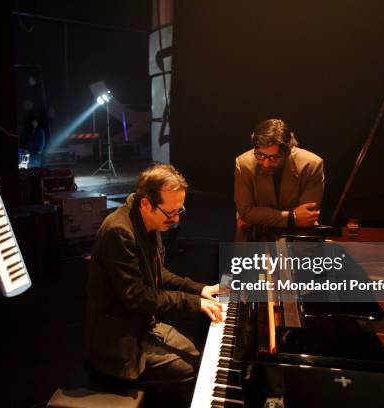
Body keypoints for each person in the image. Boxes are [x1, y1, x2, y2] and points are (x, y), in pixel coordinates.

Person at [85, 164, 222, 401]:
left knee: (201, 357)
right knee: (194, 370)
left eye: (180, 210)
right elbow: (137, 297)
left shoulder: (149, 221)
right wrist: (195, 303)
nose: (176, 219)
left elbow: (160, 274)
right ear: (146, 204)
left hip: (144, 325)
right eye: (171, 213)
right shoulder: (119, 232)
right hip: (119, 342)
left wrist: (200, 289)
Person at [234, 118, 324, 241]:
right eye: (260, 155)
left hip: (297, 237)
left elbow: (306, 217)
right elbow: (246, 212)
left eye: (274, 157)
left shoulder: (312, 165)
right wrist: (292, 217)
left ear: (288, 151)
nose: (265, 163)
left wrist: (258, 218)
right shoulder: (243, 164)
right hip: (256, 237)